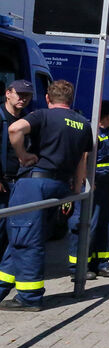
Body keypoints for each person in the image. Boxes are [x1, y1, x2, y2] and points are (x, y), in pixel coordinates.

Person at [0, 80, 92, 311]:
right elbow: (83, 160)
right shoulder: (83, 123)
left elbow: (14, 129)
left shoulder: (42, 115)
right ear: (71, 100)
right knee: (21, 239)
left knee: (25, 239)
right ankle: (2, 286)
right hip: (61, 187)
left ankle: (29, 297)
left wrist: (22, 155)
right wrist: (75, 192)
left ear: (49, 99)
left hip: (34, 184)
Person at [68, 101, 109, 280]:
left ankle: (101, 263)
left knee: (104, 224)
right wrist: (87, 179)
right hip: (92, 184)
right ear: (103, 117)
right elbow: (83, 157)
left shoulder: (105, 133)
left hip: (104, 186)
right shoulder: (92, 133)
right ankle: (79, 266)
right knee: (85, 224)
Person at [1, 80, 34, 260]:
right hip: (3, 183)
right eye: (19, 94)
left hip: (21, 182)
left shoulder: (28, 119)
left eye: (27, 95)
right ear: (8, 93)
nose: (23, 98)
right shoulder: (0, 115)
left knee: (14, 231)